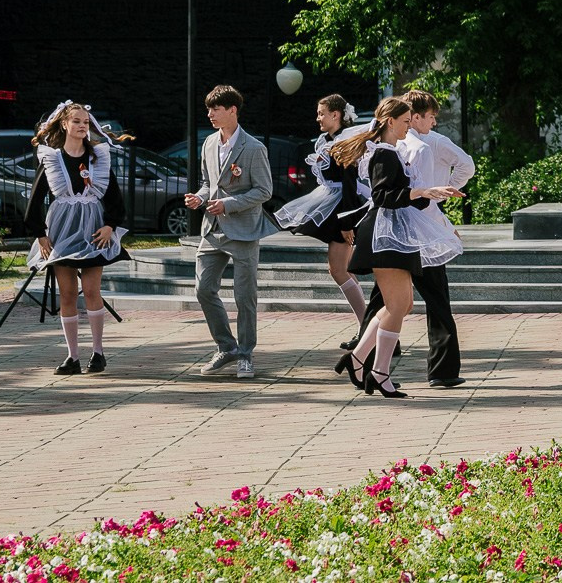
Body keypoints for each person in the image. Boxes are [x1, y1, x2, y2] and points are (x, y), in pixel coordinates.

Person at [333, 97, 461, 398]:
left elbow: (397, 194)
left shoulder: (388, 151)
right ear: (391, 122)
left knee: (400, 305)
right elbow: (383, 195)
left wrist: (428, 192)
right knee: (397, 305)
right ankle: (376, 371)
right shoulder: (384, 154)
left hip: (393, 234)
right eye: (405, 122)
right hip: (386, 235)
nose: (409, 127)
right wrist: (424, 190)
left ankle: (361, 362)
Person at [25, 101, 129, 375]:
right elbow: (36, 198)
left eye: (86, 122)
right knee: (68, 293)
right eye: (77, 122)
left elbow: (114, 195)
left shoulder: (98, 156)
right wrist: (40, 234)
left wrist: (110, 225)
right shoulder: (52, 158)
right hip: (62, 229)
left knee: (93, 291)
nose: (83, 126)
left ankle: (98, 352)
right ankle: (72, 356)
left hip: (93, 228)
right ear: (64, 124)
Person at [184, 85, 276, 380]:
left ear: (233, 110)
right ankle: (227, 347)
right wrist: (199, 197)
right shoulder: (209, 143)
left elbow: (264, 191)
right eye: (209, 109)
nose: (210, 114)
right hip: (211, 230)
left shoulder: (253, 148)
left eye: (216, 109)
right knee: (203, 289)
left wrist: (228, 204)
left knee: (244, 296)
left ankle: (246, 354)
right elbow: (207, 182)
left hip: (244, 231)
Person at [396, 90, 471, 387]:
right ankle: (443, 369)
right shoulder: (424, 146)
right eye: (430, 116)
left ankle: (366, 360)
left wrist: (445, 192)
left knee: (385, 300)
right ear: (414, 117)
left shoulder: (394, 143)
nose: (435, 122)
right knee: (435, 296)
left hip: (397, 226)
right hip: (421, 225)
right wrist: (443, 199)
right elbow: (424, 195)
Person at [274, 94, 368, 327]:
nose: (318, 118)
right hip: (332, 204)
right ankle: (367, 328)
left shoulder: (346, 140)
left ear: (335, 115)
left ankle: (367, 328)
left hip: (343, 207)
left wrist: (348, 222)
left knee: (338, 269)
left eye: (321, 113)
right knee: (342, 269)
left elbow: (350, 182)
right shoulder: (324, 140)